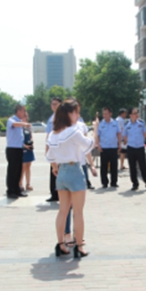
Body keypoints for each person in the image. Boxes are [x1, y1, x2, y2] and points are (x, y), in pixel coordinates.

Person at [46, 99, 94, 259]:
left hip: (62, 172)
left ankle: (60, 244)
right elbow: (89, 145)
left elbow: (49, 156)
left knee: (63, 211)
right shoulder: (73, 131)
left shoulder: (54, 134)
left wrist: (55, 167)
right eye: (76, 112)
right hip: (74, 170)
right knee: (78, 212)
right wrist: (96, 129)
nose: (78, 115)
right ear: (69, 113)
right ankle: (79, 246)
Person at [123, 108, 146, 192]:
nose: (137, 114)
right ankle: (135, 184)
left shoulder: (141, 123)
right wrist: (130, 141)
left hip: (140, 147)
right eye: (135, 113)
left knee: (143, 166)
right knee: (132, 167)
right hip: (131, 147)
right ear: (130, 115)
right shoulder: (127, 124)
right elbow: (125, 136)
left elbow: (145, 134)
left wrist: (140, 140)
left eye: (137, 113)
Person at [6, 105, 32, 199]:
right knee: (12, 170)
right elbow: (14, 124)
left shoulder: (20, 122)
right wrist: (24, 124)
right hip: (12, 149)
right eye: (24, 111)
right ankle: (10, 190)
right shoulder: (11, 120)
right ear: (19, 111)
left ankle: (17, 189)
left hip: (19, 148)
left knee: (18, 170)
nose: (25, 113)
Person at [97, 107, 121, 188]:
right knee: (103, 166)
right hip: (104, 147)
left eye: (106, 113)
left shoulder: (115, 123)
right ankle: (104, 182)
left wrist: (120, 144)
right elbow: (98, 135)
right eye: (103, 114)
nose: (104, 115)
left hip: (113, 147)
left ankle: (114, 182)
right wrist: (98, 145)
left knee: (114, 165)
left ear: (110, 114)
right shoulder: (101, 124)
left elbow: (118, 133)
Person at [46, 97, 62, 202]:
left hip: (62, 148)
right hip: (53, 148)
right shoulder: (51, 119)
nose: (54, 106)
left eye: (56, 104)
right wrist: (47, 149)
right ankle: (54, 194)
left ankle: (62, 194)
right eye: (52, 104)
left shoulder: (64, 117)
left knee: (62, 171)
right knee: (53, 171)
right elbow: (48, 135)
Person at [21, 122, 35, 191]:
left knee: (28, 166)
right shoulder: (20, 127)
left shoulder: (28, 128)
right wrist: (25, 146)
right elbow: (18, 139)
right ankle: (20, 183)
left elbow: (31, 136)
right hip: (23, 148)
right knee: (23, 167)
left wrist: (31, 142)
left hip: (29, 148)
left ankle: (28, 184)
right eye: (25, 117)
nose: (26, 118)